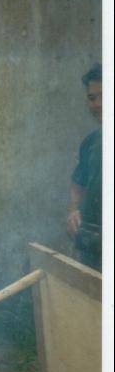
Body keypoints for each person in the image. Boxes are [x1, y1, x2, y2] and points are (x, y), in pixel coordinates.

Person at [66, 63, 102, 271]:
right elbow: (78, 183)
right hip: (93, 251)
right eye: (92, 97)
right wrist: (73, 210)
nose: (97, 104)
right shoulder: (91, 142)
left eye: (104, 95)